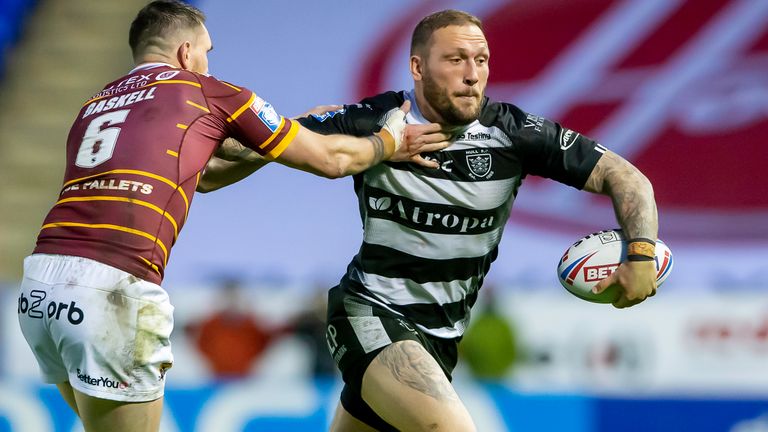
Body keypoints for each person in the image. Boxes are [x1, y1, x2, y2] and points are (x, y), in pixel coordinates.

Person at [202, 9, 659, 431]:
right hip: (370, 313)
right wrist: (281, 131)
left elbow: (627, 178)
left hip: (441, 338)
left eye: (481, 59)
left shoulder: (516, 133)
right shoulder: (373, 122)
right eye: (456, 59)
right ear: (417, 68)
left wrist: (640, 253)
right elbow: (220, 166)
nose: (472, 74)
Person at [14, 2, 450, 431]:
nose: (206, 63)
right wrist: (389, 142)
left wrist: (283, 132)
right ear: (186, 53)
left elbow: (201, 175)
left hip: (40, 288)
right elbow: (332, 160)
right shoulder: (205, 90)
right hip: (114, 289)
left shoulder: (95, 104)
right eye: (206, 51)